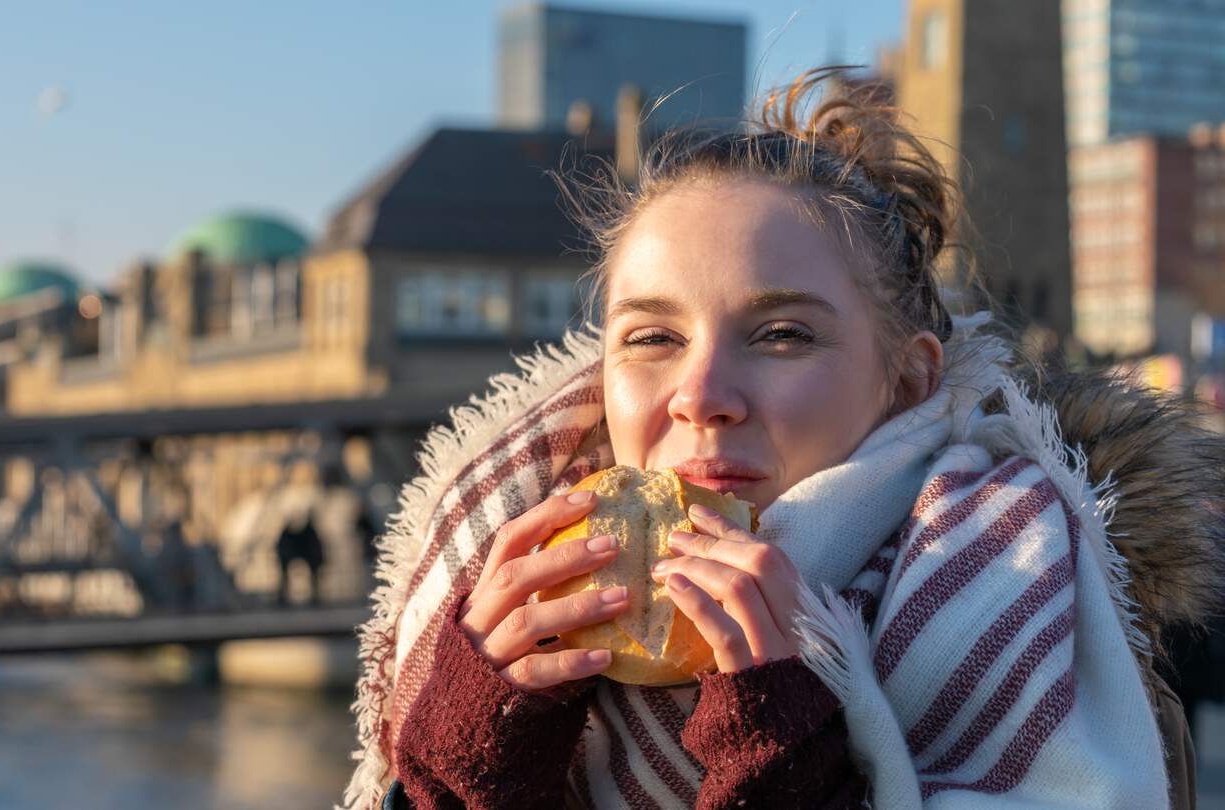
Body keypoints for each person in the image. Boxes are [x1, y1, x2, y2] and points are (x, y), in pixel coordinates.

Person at [342, 68, 1223, 810]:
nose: (701, 397)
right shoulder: (485, 596)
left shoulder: (1059, 621)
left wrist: (782, 749)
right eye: (652, 338)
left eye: (783, 336)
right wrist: (463, 770)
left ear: (907, 379)